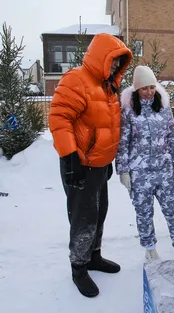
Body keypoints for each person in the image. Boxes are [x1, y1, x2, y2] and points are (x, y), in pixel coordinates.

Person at [48, 33, 132, 298]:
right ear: (100, 58)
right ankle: (79, 267)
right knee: (83, 218)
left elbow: (105, 127)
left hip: (98, 164)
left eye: (120, 63)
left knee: (99, 212)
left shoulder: (107, 86)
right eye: (113, 61)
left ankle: (93, 256)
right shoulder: (77, 79)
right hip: (80, 164)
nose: (117, 67)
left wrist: (106, 160)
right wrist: (69, 156)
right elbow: (60, 118)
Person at [116, 66, 174, 262]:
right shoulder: (129, 111)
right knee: (144, 212)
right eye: (144, 88)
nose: (149, 92)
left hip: (164, 170)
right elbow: (123, 141)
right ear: (136, 89)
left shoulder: (164, 108)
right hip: (140, 172)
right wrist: (123, 170)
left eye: (151, 87)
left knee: (173, 209)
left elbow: (171, 136)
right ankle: (149, 248)